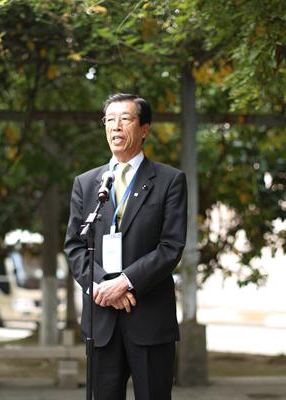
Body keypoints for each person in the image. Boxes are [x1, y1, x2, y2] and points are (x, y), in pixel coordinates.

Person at [64, 93, 187, 400]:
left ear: (144, 129)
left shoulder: (170, 181)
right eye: (110, 119)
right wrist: (103, 287)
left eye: (125, 119)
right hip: (102, 320)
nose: (115, 126)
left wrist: (125, 282)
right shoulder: (87, 183)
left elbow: (171, 246)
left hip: (149, 319)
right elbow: (75, 246)